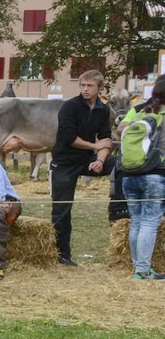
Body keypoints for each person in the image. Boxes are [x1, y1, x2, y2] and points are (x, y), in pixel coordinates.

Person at [50, 70, 113, 266]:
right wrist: (95, 147)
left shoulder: (103, 110)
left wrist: (100, 160)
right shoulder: (70, 107)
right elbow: (69, 138)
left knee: (118, 164)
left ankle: (119, 208)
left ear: (99, 88)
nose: (85, 89)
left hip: (87, 160)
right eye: (83, 85)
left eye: (90, 86)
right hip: (64, 162)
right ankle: (62, 255)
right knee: (61, 211)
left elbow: (106, 139)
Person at [119, 76, 165, 280]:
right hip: (155, 176)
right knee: (149, 222)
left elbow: (120, 129)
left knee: (137, 221)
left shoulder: (139, 111)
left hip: (129, 175)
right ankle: (142, 270)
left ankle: (139, 268)